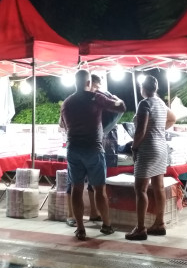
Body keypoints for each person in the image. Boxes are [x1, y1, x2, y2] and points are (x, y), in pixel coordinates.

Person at [59, 69, 126, 240]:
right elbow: (121, 108)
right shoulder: (96, 98)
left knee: (76, 188)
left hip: (73, 149)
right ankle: (106, 225)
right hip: (93, 149)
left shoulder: (66, 102)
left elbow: (63, 125)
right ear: (89, 83)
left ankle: (80, 228)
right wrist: (118, 99)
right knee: (99, 189)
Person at [125, 76, 176, 241]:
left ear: (143, 88)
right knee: (158, 186)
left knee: (140, 189)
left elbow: (140, 129)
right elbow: (173, 118)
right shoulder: (161, 103)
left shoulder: (144, 103)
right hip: (161, 147)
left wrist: (134, 147)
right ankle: (159, 223)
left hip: (147, 149)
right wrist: (159, 129)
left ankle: (140, 228)